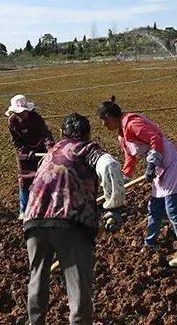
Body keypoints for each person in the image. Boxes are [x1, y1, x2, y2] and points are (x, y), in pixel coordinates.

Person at [24, 113, 125, 325]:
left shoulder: (50, 152)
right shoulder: (87, 149)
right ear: (87, 134)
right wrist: (114, 207)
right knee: (78, 287)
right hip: (70, 223)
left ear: (62, 133)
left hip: (33, 221)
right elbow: (110, 166)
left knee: (37, 280)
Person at [97, 96, 177, 268]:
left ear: (110, 117)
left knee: (172, 210)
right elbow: (130, 158)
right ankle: (150, 243)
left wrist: (151, 164)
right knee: (154, 208)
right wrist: (122, 180)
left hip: (168, 162)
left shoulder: (131, 123)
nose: (104, 126)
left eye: (104, 122)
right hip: (159, 167)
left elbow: (155, 138)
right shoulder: (122, 134)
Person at [6, 94, 55, 219]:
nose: (24, 114)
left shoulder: (35, 117)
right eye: (20, 112)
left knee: (45, 178)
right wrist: (26, 152)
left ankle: (44, 206)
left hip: (40, 150)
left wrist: (50, 148)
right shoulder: (12, 121)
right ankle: (24, 209)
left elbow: (46, 133)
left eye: (24, 111)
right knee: (24, 181)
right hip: (24, 156)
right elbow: (15, 141)